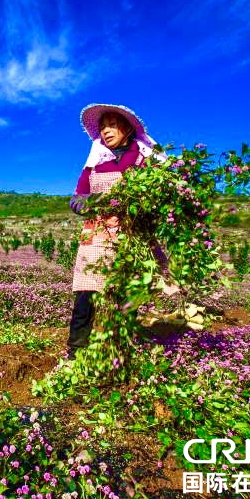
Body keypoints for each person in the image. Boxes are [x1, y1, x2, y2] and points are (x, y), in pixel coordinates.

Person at [66, 104, 166, 359]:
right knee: (86, 292)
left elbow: (155, 199)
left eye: (112, 124)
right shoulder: (94, 163)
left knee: (125, 295)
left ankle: (119, 351)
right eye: (102, 126)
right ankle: (76, 352)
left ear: (127, 127)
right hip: (96, 233)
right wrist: (88, 203)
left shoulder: (143, 160)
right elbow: (77, 197)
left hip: (130, 234)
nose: (106, 130)